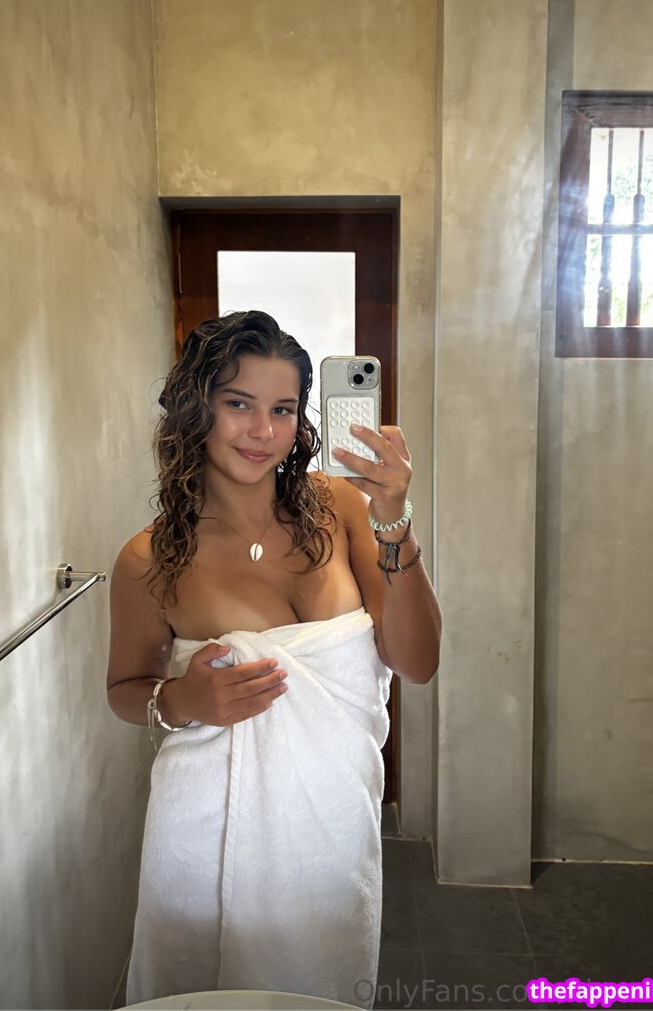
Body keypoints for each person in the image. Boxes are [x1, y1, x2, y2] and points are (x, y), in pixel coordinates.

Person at [107, 311, 440, 1007]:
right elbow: (125, 688)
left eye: (283, 409)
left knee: (320, 982)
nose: (262, 431)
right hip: (204, 831)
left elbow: (417, 663)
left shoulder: (340, 507)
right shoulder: (149, 559)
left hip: (332, 820)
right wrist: (180, 701)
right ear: (195, 407)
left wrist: (394, 518)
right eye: (239, 404)